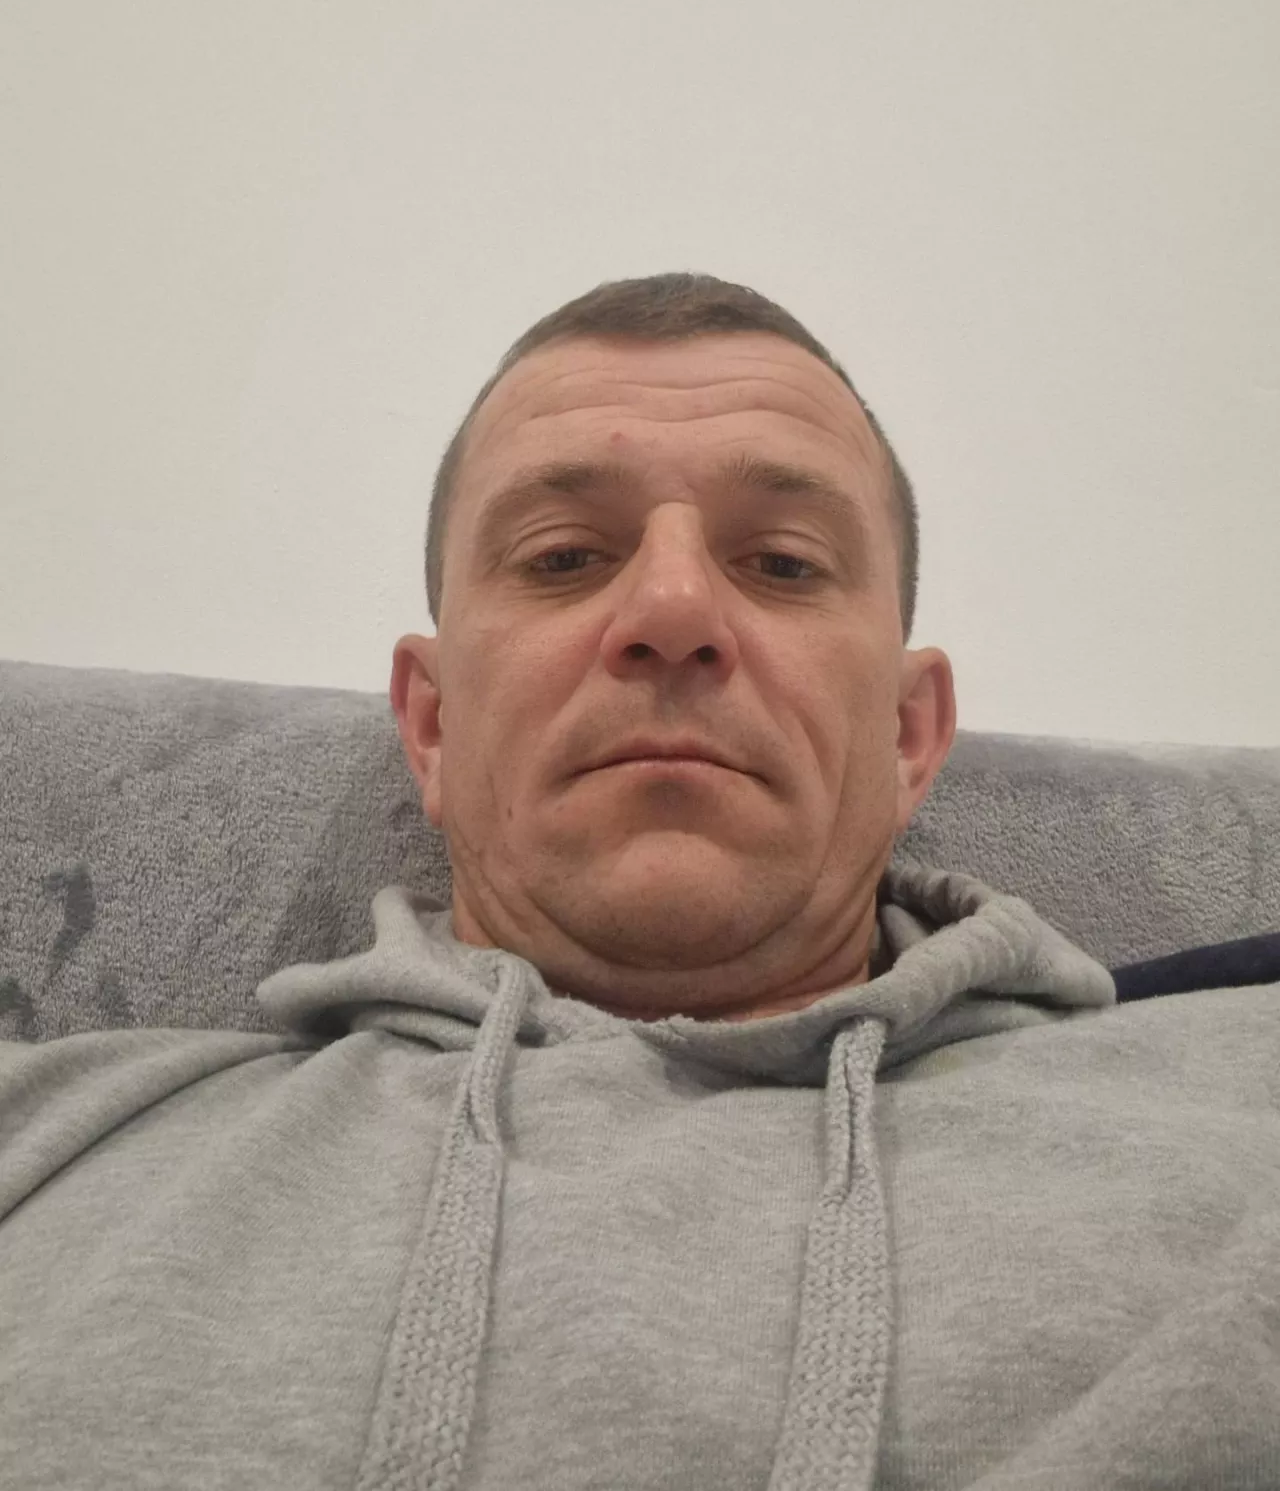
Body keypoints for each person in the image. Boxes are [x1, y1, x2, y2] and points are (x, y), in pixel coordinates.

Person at [1, 273, 1276, 1491]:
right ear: (432, 725)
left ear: (906, 736)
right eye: (562, 556)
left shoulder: (1240, 1087)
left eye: (782, 562)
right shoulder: (56, 1134)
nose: (671, 609)